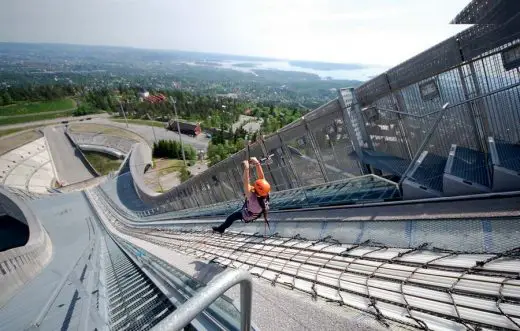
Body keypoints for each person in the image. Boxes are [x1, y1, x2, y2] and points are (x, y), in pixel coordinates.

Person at [212, 157, 271, 234]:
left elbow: (246, 182)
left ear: (255, 191)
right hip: (256, 211)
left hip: (247, 215)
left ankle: (221, 229)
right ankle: (221, 228)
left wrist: (246, 168)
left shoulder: (253, 199)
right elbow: (261, 178)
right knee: (232, 216)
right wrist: (257, 163)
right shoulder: (266, 192)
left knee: (231, 217)